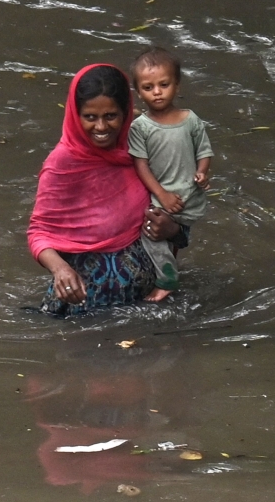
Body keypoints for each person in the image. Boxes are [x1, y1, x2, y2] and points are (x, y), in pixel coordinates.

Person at [27, 64, 186, 317]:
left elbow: (180, 211)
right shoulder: (62, 163)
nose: (101, 127)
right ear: (75, 115)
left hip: (151, 301)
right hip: (85, 309)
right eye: (90, 117)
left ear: (126, 113)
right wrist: (60, 270)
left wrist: (173, 229)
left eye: (111, 116)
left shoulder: (143, 150)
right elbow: (39, 232)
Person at [128, 47, 214, 302]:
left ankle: (167, 280)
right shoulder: (140, 127)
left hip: (189, 195)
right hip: (161, 196)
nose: (156, 92)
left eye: (163, 84)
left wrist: (202, 172)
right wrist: (162, 194)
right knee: (153, 232)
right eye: (148, 87)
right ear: (138, 91)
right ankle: (167, 274)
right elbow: (140, 165)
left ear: (176, 85)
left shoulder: (190, 120)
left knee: (161, 236)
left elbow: (205, 151)